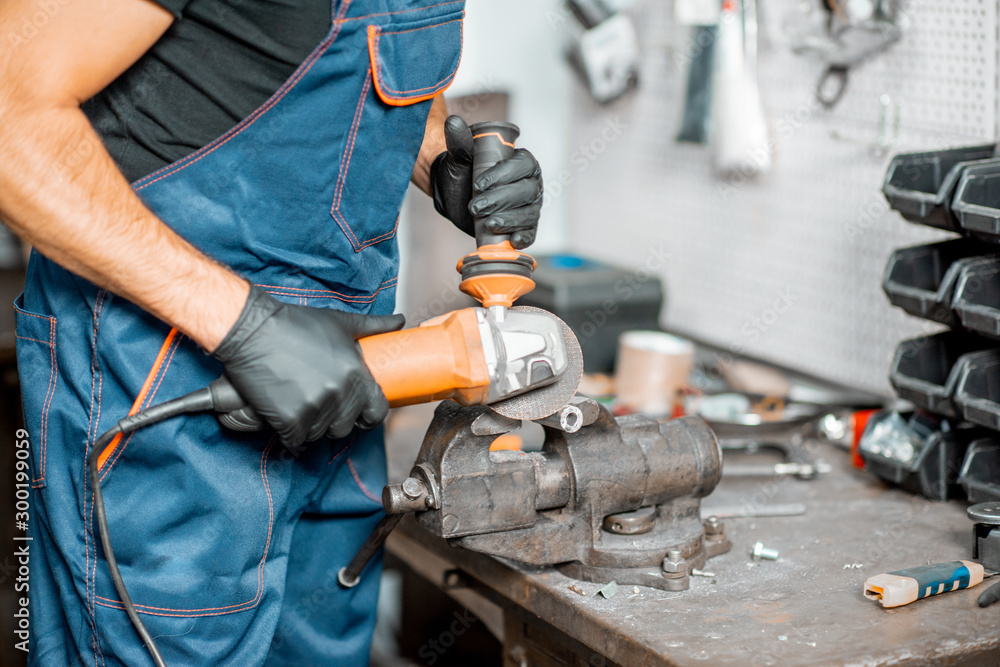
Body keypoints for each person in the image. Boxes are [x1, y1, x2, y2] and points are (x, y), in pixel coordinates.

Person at [0, 0, 543, 664]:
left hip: (339, 394)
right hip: (167, 394)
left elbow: (287, 55)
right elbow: (9, 109)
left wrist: (437, 157)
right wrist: (242, 325)